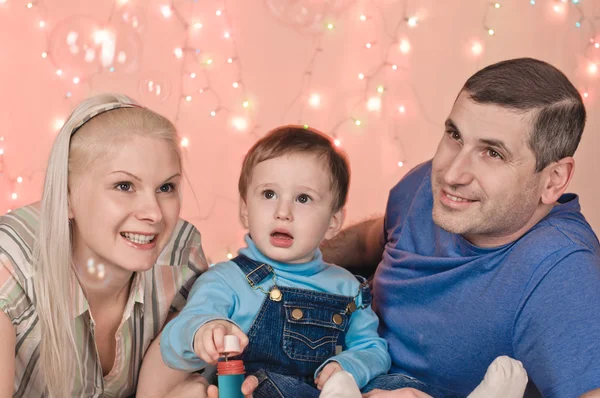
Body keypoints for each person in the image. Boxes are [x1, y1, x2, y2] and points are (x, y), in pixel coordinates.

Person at [321, 58, 600, 398]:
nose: (452, 174)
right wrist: (268, 266)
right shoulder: (429, 186)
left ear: (553, 180)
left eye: (493, 153)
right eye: (455, 135)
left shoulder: (561, 272)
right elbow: (369, 241)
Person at [150, 125, 391, 398]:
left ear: (333, 222)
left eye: (303, 198)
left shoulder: (347, 287)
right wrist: (204, 330)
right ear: (244, 211)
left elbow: (373, 349)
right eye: (269, 194)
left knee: (398, 385)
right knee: (267, 385)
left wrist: (347, 365)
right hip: (254, 391)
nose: (283, 212)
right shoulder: (227, 279)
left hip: (328, 392)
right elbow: (175, 338)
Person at [0, 93, 211, 397]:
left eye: (166, 187)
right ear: (66, 196)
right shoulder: (10, 262)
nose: (153, 214)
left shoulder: (180, 256)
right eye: (124, 186)